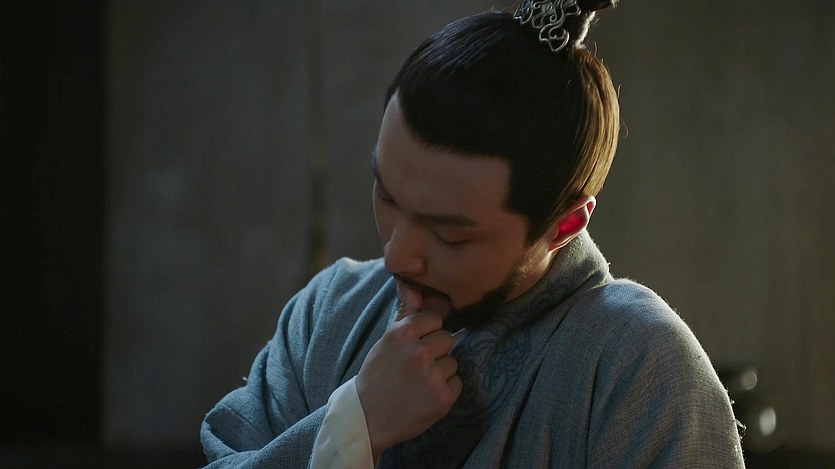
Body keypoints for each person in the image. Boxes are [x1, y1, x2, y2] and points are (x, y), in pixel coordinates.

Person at [200, 0, 745, 467]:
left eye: (450, 235)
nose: (398, 256)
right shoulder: (328, 312)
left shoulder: (642, 367)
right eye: (387, 197)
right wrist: (354, 423)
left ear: (564, 224)